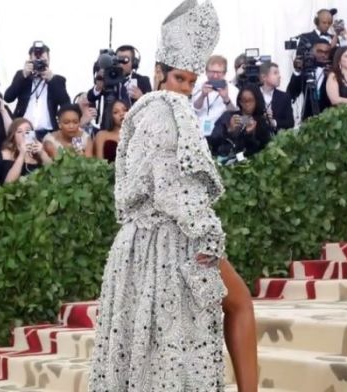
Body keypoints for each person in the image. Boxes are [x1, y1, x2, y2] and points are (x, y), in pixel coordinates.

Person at [87, 1, 257, 391]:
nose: (185, 89)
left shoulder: (138, 114)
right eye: (180, 78)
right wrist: (208, 234)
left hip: (135, 245)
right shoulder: (169, 111)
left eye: (191, 82)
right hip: (173, 239)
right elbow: (173, 186)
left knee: (152, 346)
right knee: (239, 303)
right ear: (159, 73)